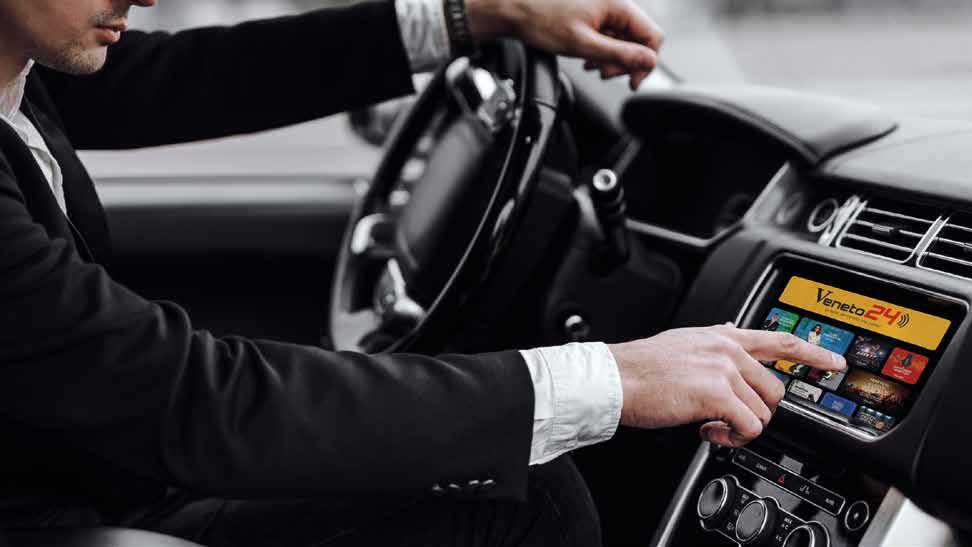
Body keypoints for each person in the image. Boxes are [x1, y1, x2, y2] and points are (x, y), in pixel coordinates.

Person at [0, 1, 847, 545]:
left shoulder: (22, 66)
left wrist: (475, 15)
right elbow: (192, 398)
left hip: (92, 472)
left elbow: (184, 76)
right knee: (525, 504)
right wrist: (614, 378)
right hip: (61, 506)